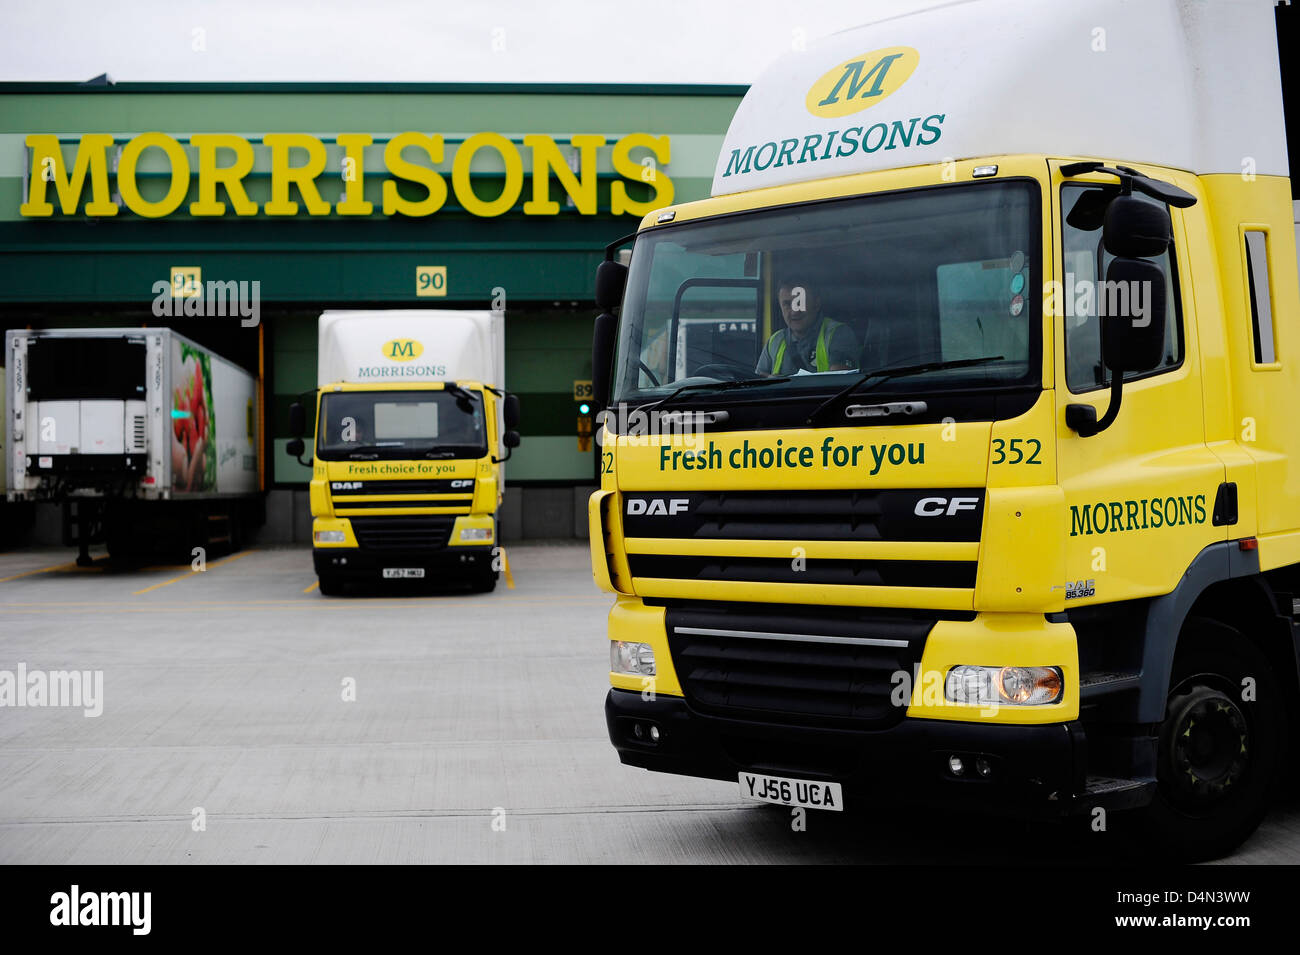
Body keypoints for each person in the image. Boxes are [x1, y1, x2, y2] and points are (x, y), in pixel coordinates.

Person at [756, 279, 859, 375]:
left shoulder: (838, 334)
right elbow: (758, 384)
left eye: (800, 302)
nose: (795, 311)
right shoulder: (775, 341)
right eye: (787, 304)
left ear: (817, 304)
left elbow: (839, 384)